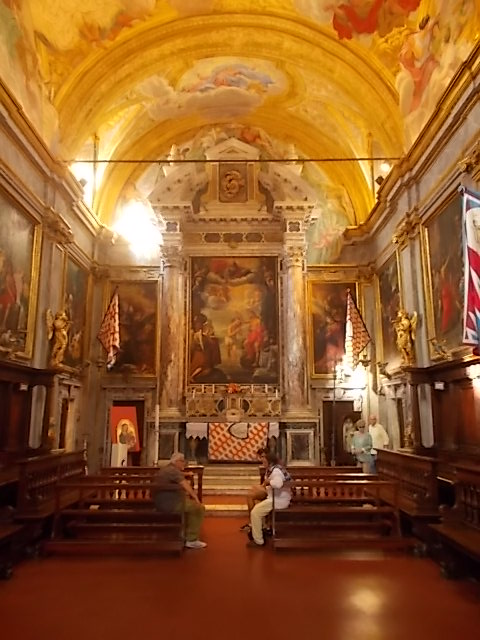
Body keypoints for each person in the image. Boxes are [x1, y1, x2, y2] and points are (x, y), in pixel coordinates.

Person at [153, 452, 206, 549]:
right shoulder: (173, 471)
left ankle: (184, 534)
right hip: (170, 504)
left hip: (162, 501)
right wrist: (196, 498)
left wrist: (186, 473)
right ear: (176, 462)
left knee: (190, 507)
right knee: (198, 508)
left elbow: (177, 475)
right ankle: (191, 540)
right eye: (182, 461)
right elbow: (185, 485)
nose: (184, 464)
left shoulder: (167, 469)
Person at [247, 452, 291, 548]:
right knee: (258, 504)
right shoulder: (272, 469)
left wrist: (268, 481)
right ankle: (263, 528)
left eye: (264, 460)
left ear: (269, 461)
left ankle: (258, 541)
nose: (262, 461)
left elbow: (278, 484)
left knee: (255, 512)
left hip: (278, 500)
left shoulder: (276, 471)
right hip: (276, 497)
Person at [239, 448, 268, 532]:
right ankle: (258, 523)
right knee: (253, 493)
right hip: (268, 489)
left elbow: (270, 483)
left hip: (273, 492)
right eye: (261, 457)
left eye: (263, 457)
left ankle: (253, 523)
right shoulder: (267, 467)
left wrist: (262, 486)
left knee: (250, 495)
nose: (262, 459)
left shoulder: (274, 468)